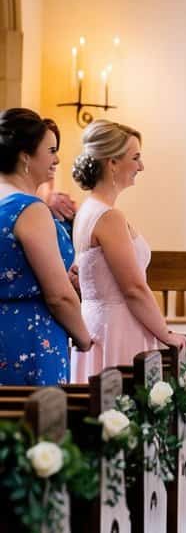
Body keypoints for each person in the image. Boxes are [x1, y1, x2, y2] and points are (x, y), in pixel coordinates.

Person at [70, 120, 186, 381]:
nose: (141, 166)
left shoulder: (87, 209)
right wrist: (165, 334)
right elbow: (133, 288)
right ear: (112, 162)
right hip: (116, 328)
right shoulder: (108, 217)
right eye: (135, 158)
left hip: (98, 321)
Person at [0, 108, 92, 383]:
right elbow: (58, 297)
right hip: (31, 336)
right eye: (51, 150)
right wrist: (84, 337)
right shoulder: (29, 209)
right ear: (25, 156)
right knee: (37, 423)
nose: (57, 159)